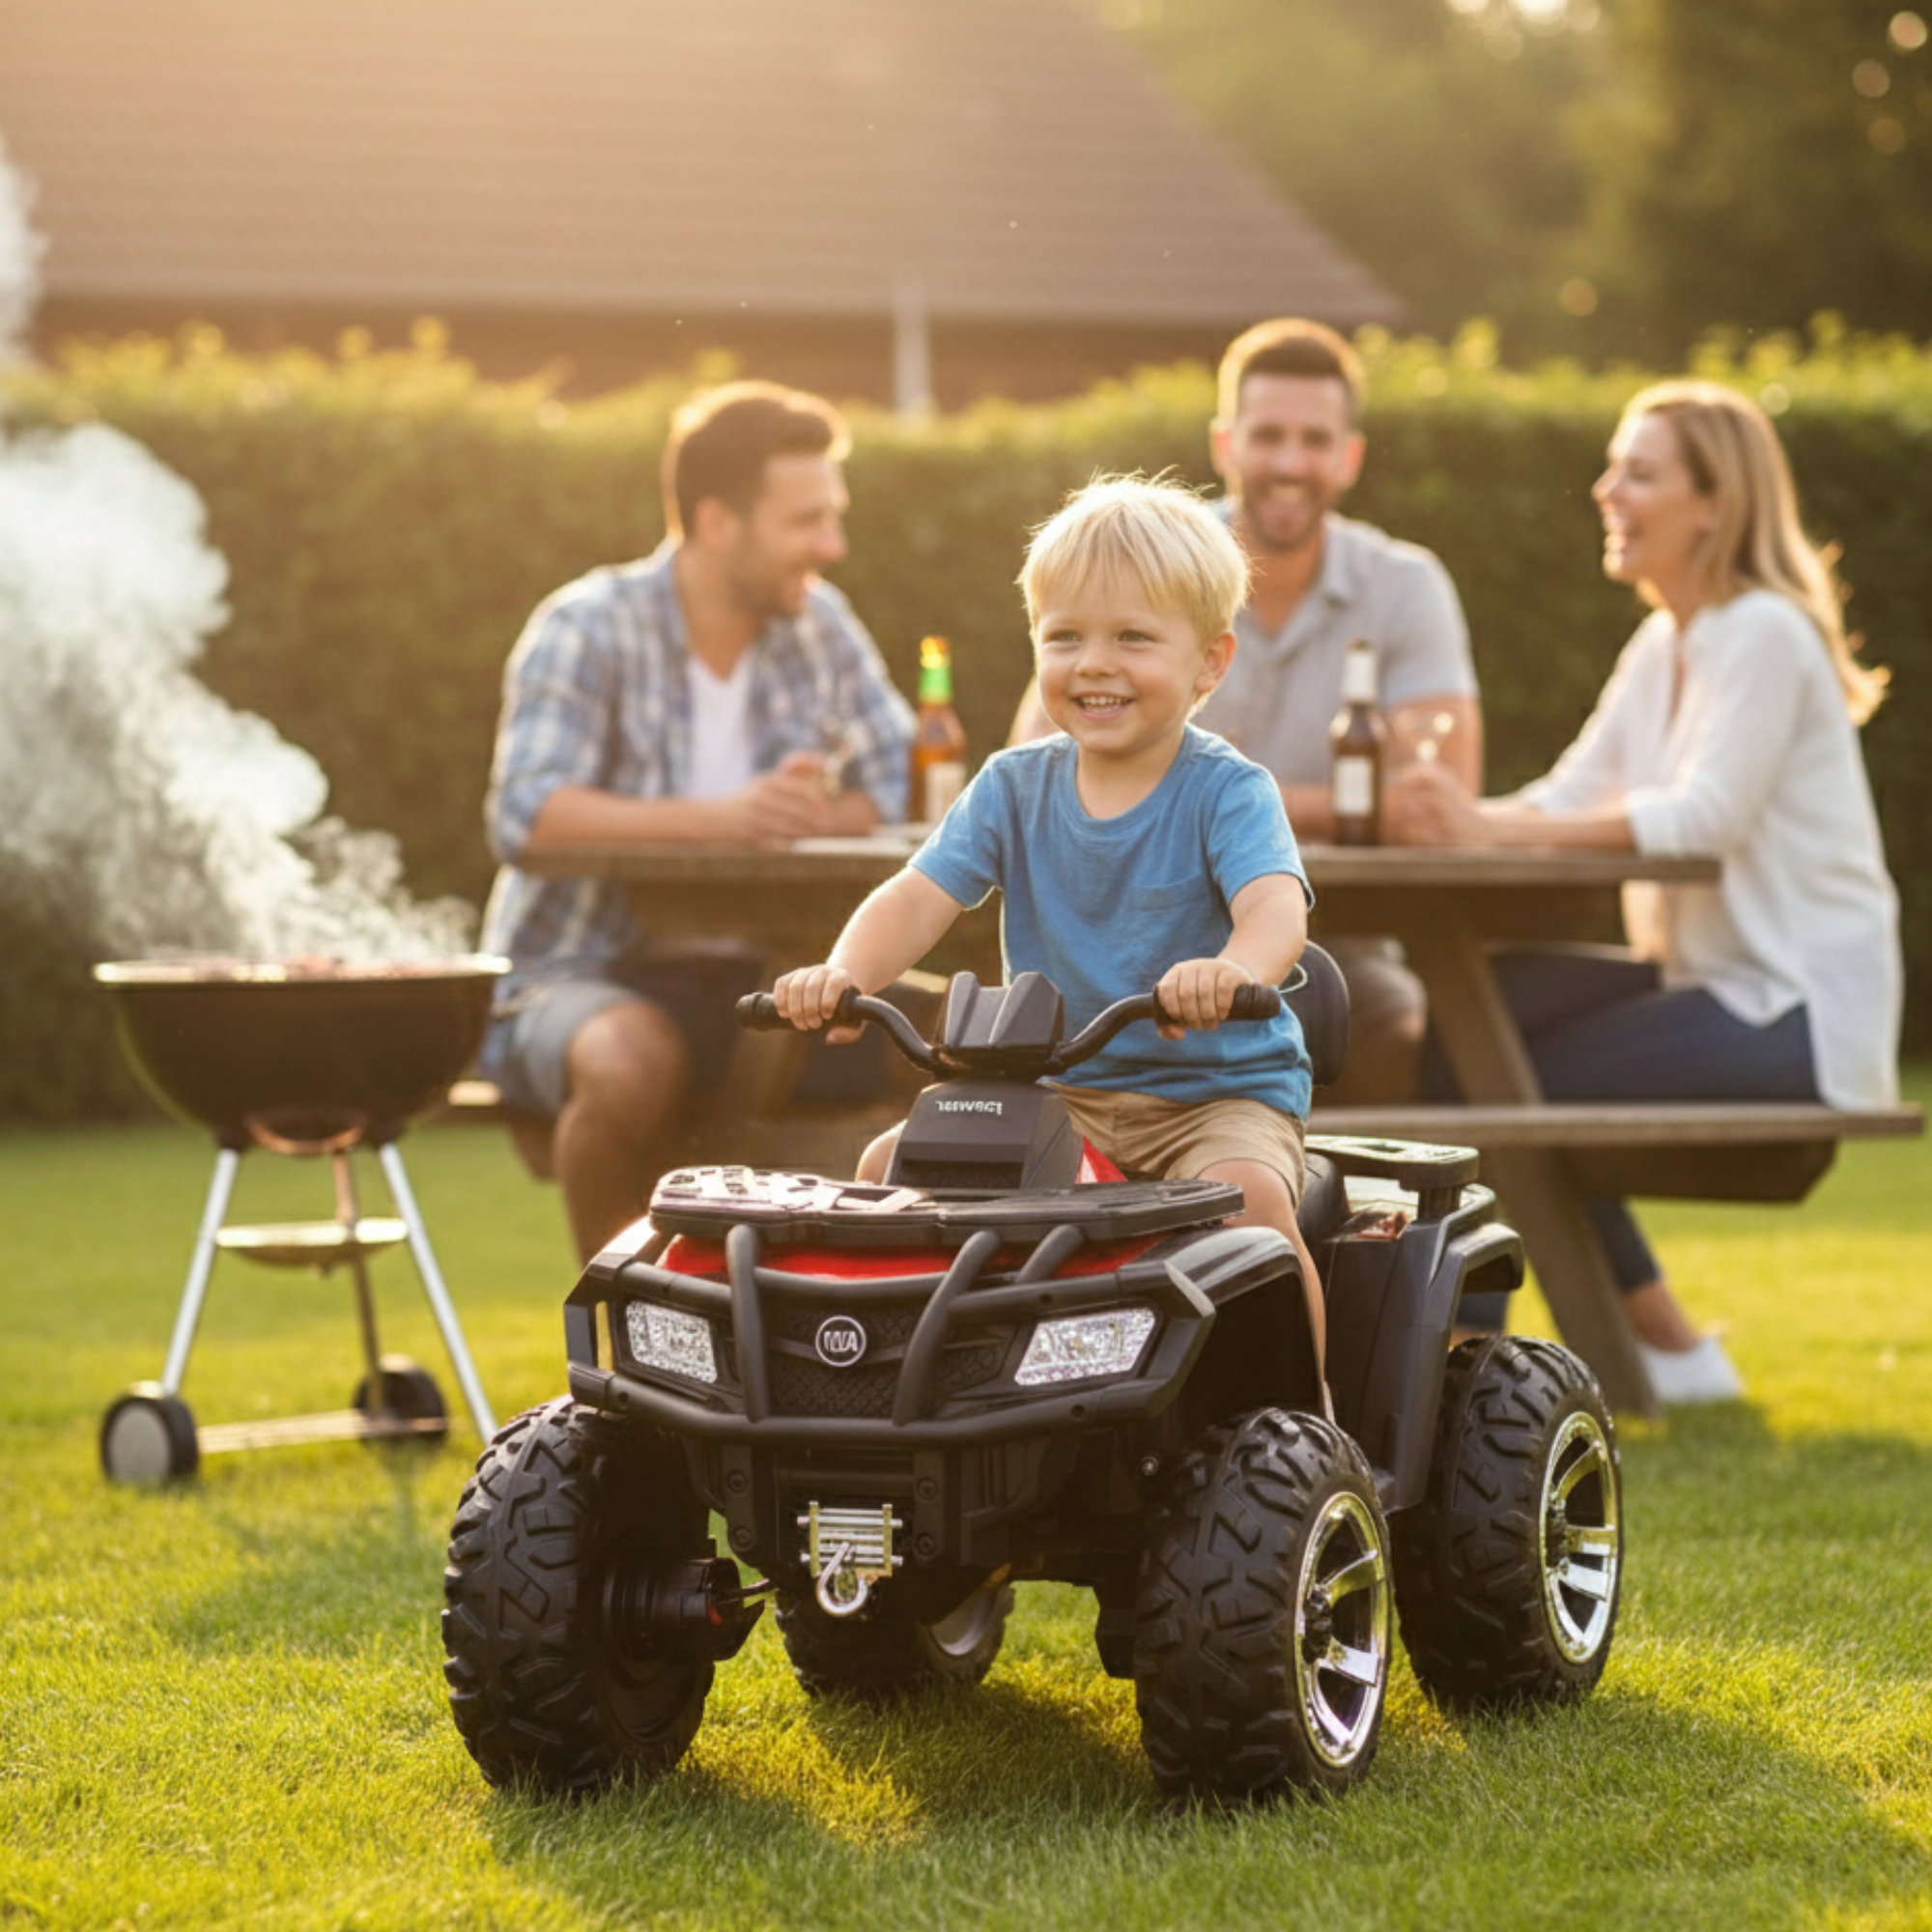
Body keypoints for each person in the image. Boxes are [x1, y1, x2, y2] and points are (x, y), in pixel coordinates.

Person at [1385, 379, 1902, 1403]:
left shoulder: (1762, 633)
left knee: (1498, 1082)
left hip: (1791, 1013)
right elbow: (1567, 794)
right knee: (1461, 1025)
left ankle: (1459, 1370)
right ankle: (1645, 1345)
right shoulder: (1664, 641)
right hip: (1703, 982)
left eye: (1637, 471)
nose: (1603, 487)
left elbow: (1700, 816)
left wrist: (1489, 825)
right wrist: (1456, 815)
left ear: (1711, 502)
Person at [775, 476, 1329, 1378]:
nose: (1094, 663)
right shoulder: (1012, 785)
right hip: (1062, 1094)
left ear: (1210, 663)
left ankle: (1311, 1421)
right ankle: (896, 1393)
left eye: (1133, 638)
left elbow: (1276, 908)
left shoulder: (1227, 790)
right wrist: (844, 974)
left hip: (1212, 1094)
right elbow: (918, 895)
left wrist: (1228, 970)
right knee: (887, 1170)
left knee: (1252, 1201)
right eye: (1064, 636)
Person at [478, 380, 917, 1261]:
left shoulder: (819, 626)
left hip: (770, 978)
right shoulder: (587, 626)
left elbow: (902, 783)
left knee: (956, 1044)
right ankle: (623, 1340)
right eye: (806, 521)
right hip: (581, 974)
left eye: (833, 515)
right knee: (630, 1062)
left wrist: (813, 815)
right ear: (717, 522)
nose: (831, 545)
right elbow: (527, 813)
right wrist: (723, 819)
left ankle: (887, 1332)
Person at [1008, 319, 1481, 1103]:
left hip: (1345, 947)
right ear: (1226, 445)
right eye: (1267, 436)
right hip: (1127, 938)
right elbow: (1040, 757)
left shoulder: (1405, 583)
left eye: (1314, 439)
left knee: (1409, 1042)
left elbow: (1438, 798)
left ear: (1348, 457)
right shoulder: (1149, 563)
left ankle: (1341, 1221)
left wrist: (1186, 797)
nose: (1290, 462)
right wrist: (1306, 808)